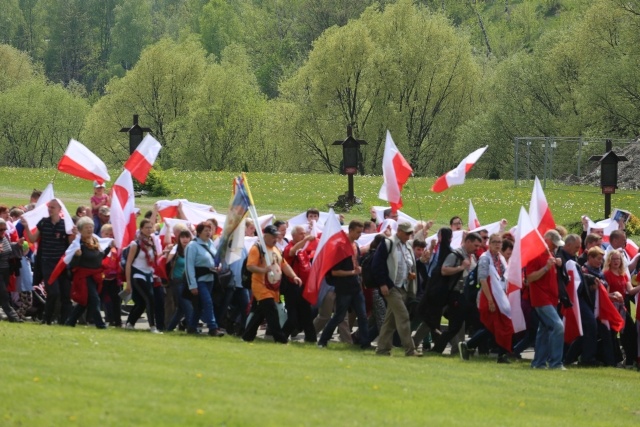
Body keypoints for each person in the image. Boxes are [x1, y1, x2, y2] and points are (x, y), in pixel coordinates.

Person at [242, 225, 302, 344]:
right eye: (273, 236)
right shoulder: (257, 248)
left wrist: (294, 276)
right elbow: (250, 266)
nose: (275, 239)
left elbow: (284, 265)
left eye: (277, 236)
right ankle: (280, 339)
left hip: (274, 287)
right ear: (266, 236)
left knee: (260, 312)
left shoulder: (276, 250)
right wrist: (264, 270)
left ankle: (247, 336)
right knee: (272, 311)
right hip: (261, 286)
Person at [318, 221, 371, 349]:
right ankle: (323, 340)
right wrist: (353, 272)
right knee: (339, 316)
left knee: (363, 316)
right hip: (344, 288)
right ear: (351, 230)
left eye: (361, 232)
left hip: (356, 286)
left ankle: (365, 344)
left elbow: (356, 264)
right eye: (358, 232)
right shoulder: (340, 247)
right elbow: (335, 272)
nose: (359, 235)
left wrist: (358, 270)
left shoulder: (355, 246)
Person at [459, 233, 511, 364]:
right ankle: (499, 354)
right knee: (493, 325)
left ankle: (471, 346)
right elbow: (482, 280)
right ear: (489, 244)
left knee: (497, 326)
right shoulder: (485, 259)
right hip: (488, 296)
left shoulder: (500, 258)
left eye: (499, 242)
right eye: (494, 242)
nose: (497, 245)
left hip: (499, 296)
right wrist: (490, 300)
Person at [21, 198, 74, 325]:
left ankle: (65, 321)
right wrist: (27, 227)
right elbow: (33, 239)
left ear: (59, 210)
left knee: (66, 293)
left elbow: (71, 244)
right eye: (49, 207)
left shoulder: (65, 225)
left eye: (53, 207)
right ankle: (47, 319)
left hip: (61, 264)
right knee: (53, 292)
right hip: (47, 263)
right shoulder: (43, 223)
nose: (50, 209)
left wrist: (75, 235)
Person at [372, 221, 421, 357]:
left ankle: (382, 349)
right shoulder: (388, 243)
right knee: (403, 316)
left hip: (404, 287)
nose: (409, 235)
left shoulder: (408, 246)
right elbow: (377, 265)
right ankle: (410, 350)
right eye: (407, 233)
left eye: (410, 233)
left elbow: (409, 265)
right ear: (399, 231)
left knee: (390, 321)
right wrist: (383, 284)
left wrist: (411, 275)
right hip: (391, 287)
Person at [431, 233, 482, 355]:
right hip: (456, 295)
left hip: (466, 295)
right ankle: (438, 348)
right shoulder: (455, 254)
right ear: (468, 242)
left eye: (479, 246)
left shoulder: (472, 257)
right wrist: (460, 267)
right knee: (455, 326)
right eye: (475, 245)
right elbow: (444, 270)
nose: (477, 248)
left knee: (475, 322)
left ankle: (475, 349)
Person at [526, 229, 565, 369]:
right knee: (558, 326)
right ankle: (555, 363)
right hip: (541, 298)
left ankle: (538, 363)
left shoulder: (550, 254)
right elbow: (529, 277)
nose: (556, 247)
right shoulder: (535, 255)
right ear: (547, 241)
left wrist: (558, 264)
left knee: (543, 332)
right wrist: (546, 268)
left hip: (551, 298)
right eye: (554, 244)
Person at [65, 217, 110, 329]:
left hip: (95, 276)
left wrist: (109, 248)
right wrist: (77, 256)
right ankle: (100, 324)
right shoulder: (78, 244)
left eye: (91, 227)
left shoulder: (95, 241)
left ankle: (70, 322)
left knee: (85, 301)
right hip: (84, 277)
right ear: (80, 230)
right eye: (86, 228)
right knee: (94, 299)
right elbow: (73, 264)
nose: (89, 229)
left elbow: (100, 256)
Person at [184, 220, 225, 337]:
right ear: (199, 232)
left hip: (210, 279)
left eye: (210, 230)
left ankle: (191, 327)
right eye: (206, 230)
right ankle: (213, 327)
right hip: (199, 279)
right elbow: (189, 266)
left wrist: (219, 267)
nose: (208, 233)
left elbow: (216, 259)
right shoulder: (192, 246)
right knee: (208, 302)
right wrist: (192, 285)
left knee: (200, 305)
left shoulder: (211, 243)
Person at [124, 218, 162, 333]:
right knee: (150, 298)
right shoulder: (135, 244)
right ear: (141, 229)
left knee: (141, 303)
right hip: (137, 275)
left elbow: (154, 259)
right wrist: (128, 282)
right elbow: (129, 263)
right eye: (146, 227)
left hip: (148, 275)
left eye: (151, 227)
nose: (149, 229)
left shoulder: (152, 243)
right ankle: (152, 327)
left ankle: (130, 323)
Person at [603, 250, 640, 366]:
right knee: (612, 335)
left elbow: (630, 291)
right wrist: (614, 295)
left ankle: (629, 359)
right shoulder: (606, 274)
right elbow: (605, 294)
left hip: (622, 308)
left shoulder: (623, 274)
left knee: (630, 332)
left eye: (618, 259)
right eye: (613, 259)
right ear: (609, 260)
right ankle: (612, 360)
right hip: (611, 308)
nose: (616, 261)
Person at [282, 224, 317, 342]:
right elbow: (291, 252)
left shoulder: (302, 250)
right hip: (292, 287)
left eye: (304, 233)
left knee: (307, 314)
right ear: (294, 235)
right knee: (293, 317)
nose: (304, 235)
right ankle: (282, 336)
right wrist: (307, 239)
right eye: (301, 234)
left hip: (303, 287)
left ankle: (311, 339)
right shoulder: (289, 247)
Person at [166, 230, 194, 332]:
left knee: (181, 309)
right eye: (182, 237)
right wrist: (167, 252)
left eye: (187, 237)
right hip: (177, 281)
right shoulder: (176, 249)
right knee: (187, 306)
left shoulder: (192, 249)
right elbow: (166, 261)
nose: (185, 239)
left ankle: (169, 329)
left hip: (188, 282)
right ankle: (192, 329)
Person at [0, 218, 23, 322]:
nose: (3, 232)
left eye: (4, 229)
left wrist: (17, 244)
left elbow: (8, 247)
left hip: (6, 270)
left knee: (4, 293)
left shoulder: (4, 238)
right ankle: (14, 317)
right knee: (4, 295)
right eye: (0, 230)